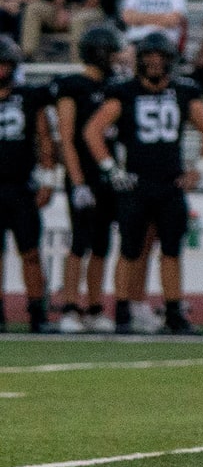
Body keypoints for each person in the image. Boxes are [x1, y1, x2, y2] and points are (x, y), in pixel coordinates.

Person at [84, 37, 203, 335]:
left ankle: (173, 311)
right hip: (137, 183)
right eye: (149, 57)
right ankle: (121, 311)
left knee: (171, 249)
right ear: (140, 60)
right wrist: (111, 169)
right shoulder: (124, 92)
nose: (155, 63)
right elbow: (93, 131)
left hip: (170, 183)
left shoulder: (184, 91)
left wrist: (200, 169)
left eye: (161, 58)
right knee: (130, 248)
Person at [50, 25, 121, 331]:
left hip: (107, 171)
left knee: (102, 243)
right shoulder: (73, 86)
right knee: (80, 240)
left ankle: (93, 307)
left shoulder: (114, 86)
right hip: (84, 173)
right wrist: (78, 181)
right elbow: (67, 138)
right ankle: (69, 307)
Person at [0, 41, 55, 331]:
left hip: (22, 186)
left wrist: (47, 181)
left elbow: (45, 140)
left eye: (5, 64)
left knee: (30, 252)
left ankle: (37, 310)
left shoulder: (28, 97)